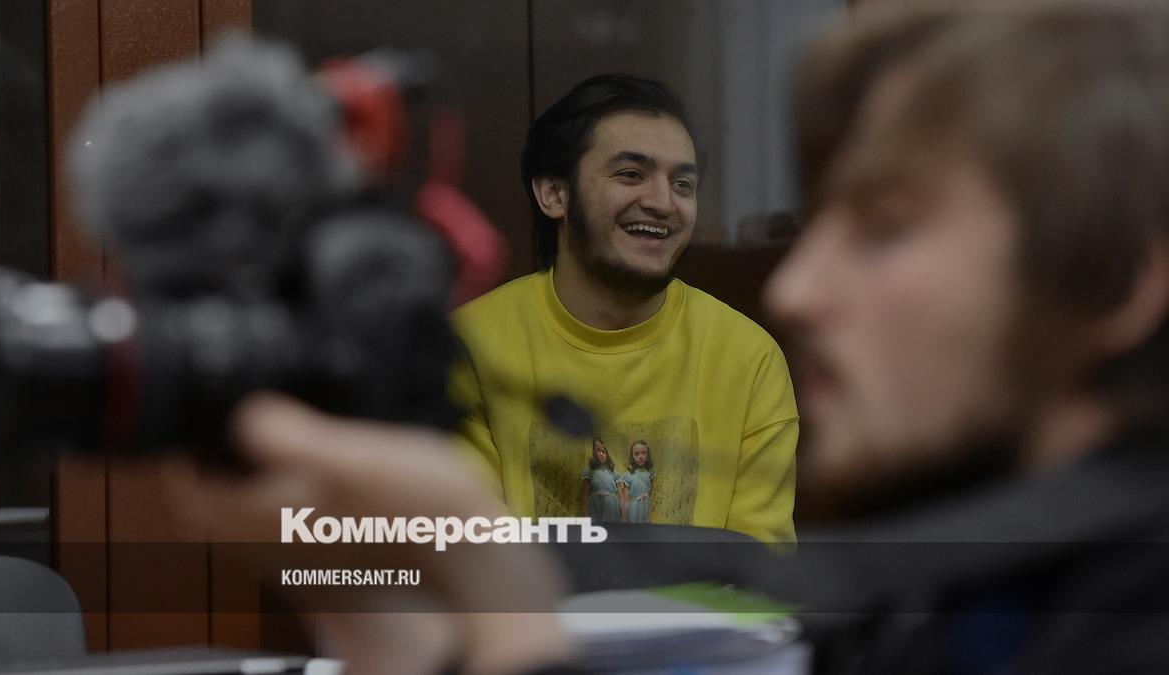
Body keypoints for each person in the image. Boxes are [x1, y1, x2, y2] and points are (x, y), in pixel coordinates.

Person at [168, 1, 1169, 673]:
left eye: (887, 226)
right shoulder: (950, 599)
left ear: (1116, 275)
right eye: (631, 173)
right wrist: (374, 594)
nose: (798, 286)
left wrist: (500, 614)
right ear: (552, 195)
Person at [450, 74, 799, 543]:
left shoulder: (748, 359)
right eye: (631, 175)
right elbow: (470, 552)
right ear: (554, 193)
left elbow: (757, 566)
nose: (663, 203)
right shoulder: (467, 348)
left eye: (683, 184)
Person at [580, 437, 621, 521]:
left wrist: (623, 515)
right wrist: (585, 515)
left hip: (612, 507)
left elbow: (620, 495)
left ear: (607, 454)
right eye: (598, 451)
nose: (601, 454)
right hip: (595, 505)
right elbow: (585, 495)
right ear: (594, 453)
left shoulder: (614, 473)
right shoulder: (589, 471)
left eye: (603, 452)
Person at [618, 440, 654, 524]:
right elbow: (625, 499)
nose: (640, 456)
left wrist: (649, 515)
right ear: (632, 456)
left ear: (647, 454)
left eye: (643, 453)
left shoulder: (650, 473)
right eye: (636, 454)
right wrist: (624, 516)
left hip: (645, 506)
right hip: (633, 507)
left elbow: (651, 493)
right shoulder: (629, 475)